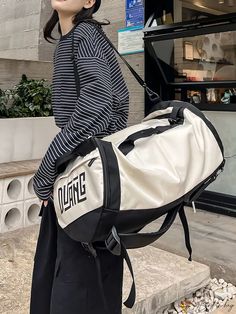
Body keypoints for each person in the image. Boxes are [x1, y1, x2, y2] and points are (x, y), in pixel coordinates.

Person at [29, 0, 129, 313]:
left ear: (89, 2)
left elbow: (98, 105)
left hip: (85, 178)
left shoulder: (84, 34)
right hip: (86, 175)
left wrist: (48, 169)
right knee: (84, 276)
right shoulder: (75, 38)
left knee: (73, 279)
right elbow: (119, 100)